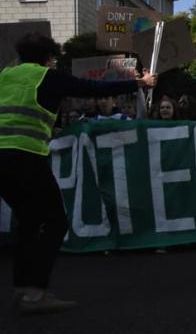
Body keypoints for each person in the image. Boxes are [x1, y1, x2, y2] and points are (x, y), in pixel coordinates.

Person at [0, 33, 157, 314]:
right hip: (25, 156)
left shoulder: (4, 77)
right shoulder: (47, 76)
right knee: (55, 222)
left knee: (27, 221)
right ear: (49, 59)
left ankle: (22, 289)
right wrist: (140, 83)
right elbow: (93, 88)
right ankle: (35, 295)